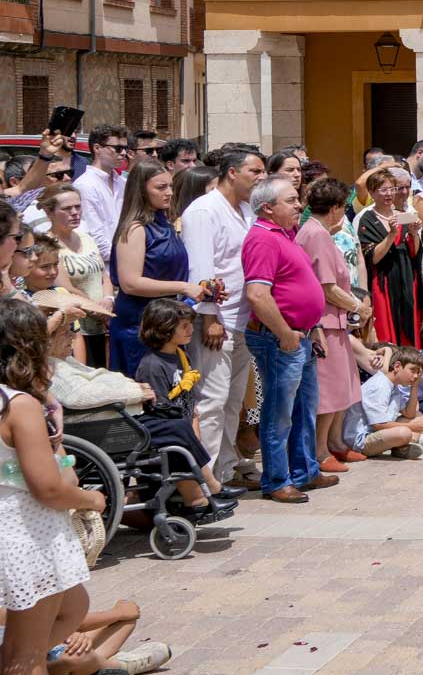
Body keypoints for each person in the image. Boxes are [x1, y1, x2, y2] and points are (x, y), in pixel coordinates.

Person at [0, 299, 110, 675]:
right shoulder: (19, 405)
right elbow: (47, 486)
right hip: (25, 530)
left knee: (73, 607)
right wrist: (91, 498)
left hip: (22, 528)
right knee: (26, 650)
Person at [181, 147, 265, 490]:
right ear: (232, 172)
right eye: (255, 171)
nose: (261, 177)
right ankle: (205, 479)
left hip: (243, 319)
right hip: (216, 320)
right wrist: (210, 315)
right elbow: (202, 268)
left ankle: (227, 470)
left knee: (233, 401)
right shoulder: (203, 211)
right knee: (211, 401)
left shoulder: (245, 209)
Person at [241, 177, 329, 504]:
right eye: (291, 201)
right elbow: (258, 294)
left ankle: (305, 470)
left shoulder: (284, 234)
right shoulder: (263, 239)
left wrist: (311, 328)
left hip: (300, 337)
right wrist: (284, 333)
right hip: (280, 340)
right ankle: (277, 479)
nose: (299, 206)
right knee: (279, 413)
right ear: (268, 208)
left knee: (304, 407)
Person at [130, 299, 235, 518]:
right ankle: (211, 488)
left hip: (182, 424)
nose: (190, 330)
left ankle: (209, 491)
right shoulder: (152, 364)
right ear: (164, 328)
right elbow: (158, 409)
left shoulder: (181, 356)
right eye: (184, 326)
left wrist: (194, 427)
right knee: (177, 435)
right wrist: (186, 431)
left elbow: (191, 399)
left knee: (184, 434)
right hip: (162, 430)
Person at [105, 163, 207, 379]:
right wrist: (183, 287)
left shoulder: (166, 224)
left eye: (170, 186)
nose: (169, 192)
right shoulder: (135, 228)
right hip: (140, 325)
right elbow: (130, 282)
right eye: (161, 187)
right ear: (141, 189)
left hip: (168, 322)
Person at [297, 179, 368, 473]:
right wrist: (358, 306)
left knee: (345, 385)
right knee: (329, 390)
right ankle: (321, 449)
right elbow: (327, 287)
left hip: (335, 321)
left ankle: (337, 442)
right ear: (336, 208)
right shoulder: (317, 235)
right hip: (325, 322)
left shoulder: (320, 231)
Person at [37, 187, 110, 369]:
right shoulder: (49, 246)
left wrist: (108, 300)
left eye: (77, 207)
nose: (75, 213)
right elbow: (66, 288)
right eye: (67, 209)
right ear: (49, 212)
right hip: (78, 328)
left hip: (103, 324)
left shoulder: (86, 239)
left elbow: (104, 277)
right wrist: (98, 310)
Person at [356, 165, 423, 349]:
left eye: (392, 189)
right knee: (386, 328)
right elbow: (372, 258)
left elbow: (413, 253)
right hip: (383, 282)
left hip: (406, 278)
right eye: (383, 190)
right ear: (371, 192)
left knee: (408, 327)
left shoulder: (404, 216)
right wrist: (390, 235)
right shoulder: (368, 219)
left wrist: (414, 234)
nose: (389, 194)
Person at [354, 346, 423, 459]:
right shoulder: (380, 385)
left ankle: (404, 447)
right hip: (362, 441)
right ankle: (404, 444)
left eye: (418, 373)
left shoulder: (394, 386)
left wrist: (414, 387)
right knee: (405, 432)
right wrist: (410, 427)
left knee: (418, 416)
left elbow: (410, 414)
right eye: (413, 370)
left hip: (379, 432)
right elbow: (378, 424)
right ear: (397, 366)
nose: (415, 376)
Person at [71, 123, 128, 260]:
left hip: (125, 261)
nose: (124, 153)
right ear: (97, 148)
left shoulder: (123, 182)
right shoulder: (85, 185)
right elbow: (94, 234)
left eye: (125, 148)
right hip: (104, 266)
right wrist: (126, 258)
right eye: (118, 148)